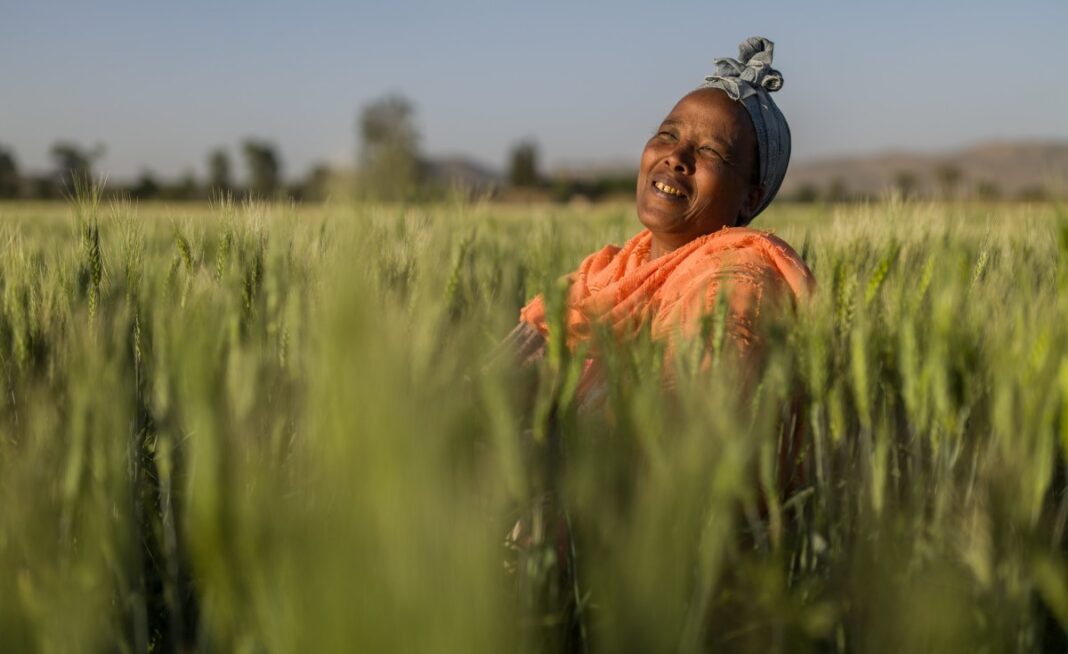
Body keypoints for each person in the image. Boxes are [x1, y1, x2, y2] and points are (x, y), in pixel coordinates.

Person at [500, 37, 815, 405]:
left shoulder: (735, 284)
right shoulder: (601, 274)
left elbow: (681, 429)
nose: (676, 156)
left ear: (751, 198)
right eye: (667, 134)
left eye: (711, 150)